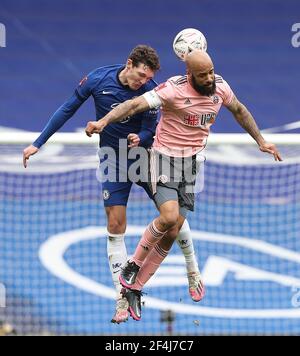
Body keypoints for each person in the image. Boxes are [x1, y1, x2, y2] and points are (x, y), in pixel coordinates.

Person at [85, 50, 283, 321]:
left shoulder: (220, 88)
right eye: (203, 75)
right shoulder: (172, 90)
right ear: (190, 75)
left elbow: (239, 110)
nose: (210, 78)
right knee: (168, 217)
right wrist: (104, 121)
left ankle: (136, 286)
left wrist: (260, 141)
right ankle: (132, 265)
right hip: (164, 160)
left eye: (211, 71)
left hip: (192, 165)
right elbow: (132, 106)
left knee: (174, 228)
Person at [22, 45, 205, 324]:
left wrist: (141, 136)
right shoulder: (98, 79)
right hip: (113, 160)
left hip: (146, 158)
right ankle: (122, 296)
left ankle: (192, 269)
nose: (142, 82)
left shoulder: (151, 89)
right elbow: (68, 108)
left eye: (147, 78)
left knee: (174, 216)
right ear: (128, 64)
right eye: (139, 76)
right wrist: (38, 143)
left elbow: (153, 126)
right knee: (116, 223)